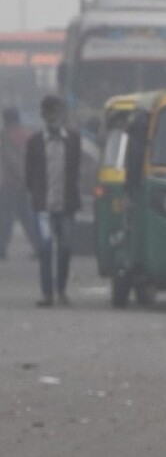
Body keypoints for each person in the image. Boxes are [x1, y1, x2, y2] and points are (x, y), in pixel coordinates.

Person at [24, 95, 82, 307]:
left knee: (65, 247)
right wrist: (35, 196)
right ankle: (48, 293)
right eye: (49, 113)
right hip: (43, 207)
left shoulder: (74, 140)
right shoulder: (35, 142)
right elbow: (29, 174)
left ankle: (61, 290)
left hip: (66, 206)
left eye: (56, 112)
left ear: (62, 114)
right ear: (43, 116)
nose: (53, 117)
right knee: (46, 248)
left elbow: (75, 170)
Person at [0, 107, 40, 259]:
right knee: (26, 217)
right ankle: (39, 248)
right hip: (26, 183)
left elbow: (11, 160)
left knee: (5, 218)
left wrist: (18, 175)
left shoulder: (5, 136)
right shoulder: (27, 134)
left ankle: (1, 250)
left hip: (11, 183)